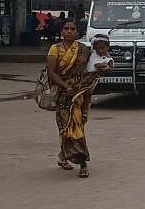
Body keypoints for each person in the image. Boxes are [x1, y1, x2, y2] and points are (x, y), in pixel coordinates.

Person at [45, 18, 107, 178]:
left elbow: (94, 65)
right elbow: (51, 72)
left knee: (77, 128)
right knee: (65, 129)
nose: (69, 31)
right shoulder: (55, 49)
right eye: (66, 28)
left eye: (73, 29)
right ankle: (63, 156)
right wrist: (66, 87)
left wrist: (106, 65)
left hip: (79, 95)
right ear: (61, 32)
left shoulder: (84, 50)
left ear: (78, 32)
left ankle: (82, 163)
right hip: (62, 95)